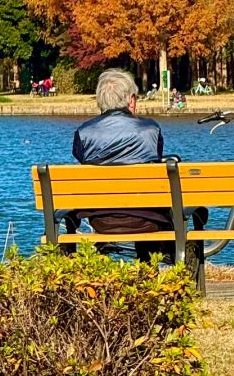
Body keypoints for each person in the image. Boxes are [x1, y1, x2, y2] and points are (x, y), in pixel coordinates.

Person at [70, 68, 174, 261]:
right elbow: (155, 157)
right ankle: (149, 269)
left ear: (100, 101)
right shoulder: (151, 129)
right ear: (131, 100)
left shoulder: (83, 133)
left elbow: (82, 158)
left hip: (101, 219)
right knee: (150, 202)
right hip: (147, 219)